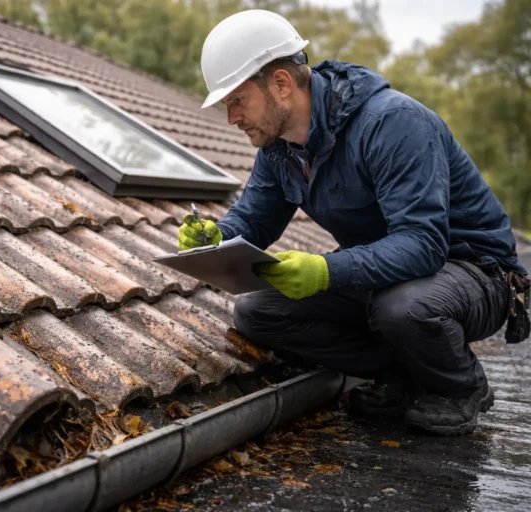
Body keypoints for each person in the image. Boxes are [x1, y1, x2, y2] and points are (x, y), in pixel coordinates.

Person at [179, 10, 529, 435]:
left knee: (402, 308)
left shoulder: (392, 123)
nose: (231, 117)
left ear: (282, 85)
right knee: (256, 312)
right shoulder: (278, 148)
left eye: (236, 100)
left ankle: (460, 387)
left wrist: (327, 271)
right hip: (388, 276)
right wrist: (217, 235)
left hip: (473, 272)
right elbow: (253, 219)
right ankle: (402, 376)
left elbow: (423, 243)